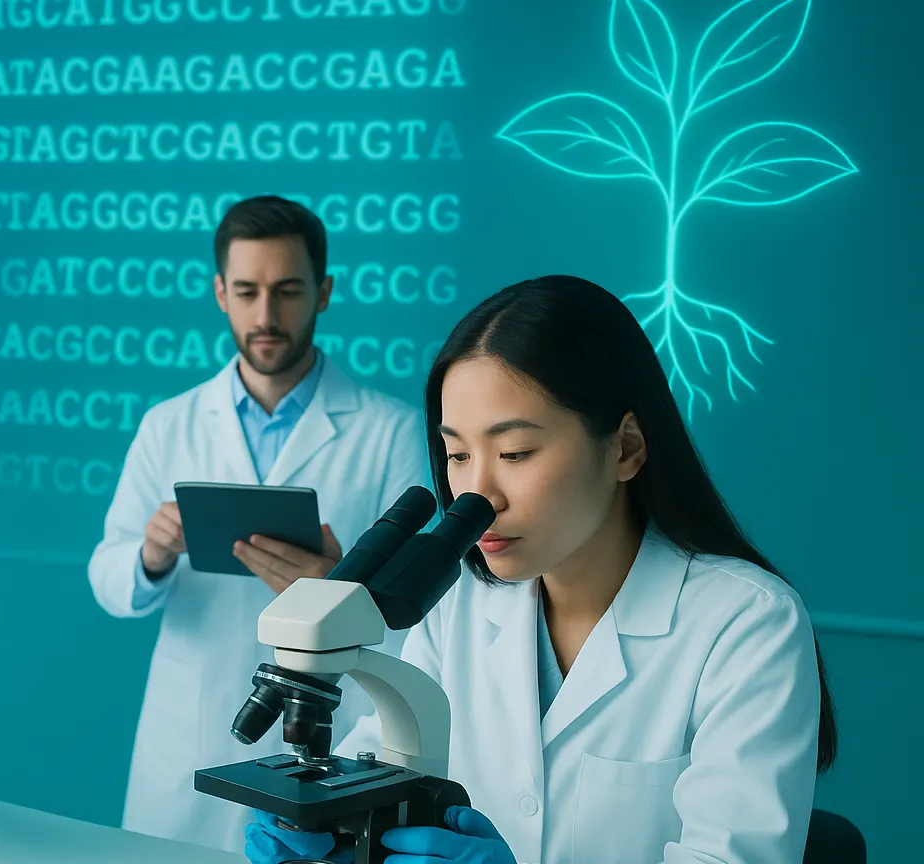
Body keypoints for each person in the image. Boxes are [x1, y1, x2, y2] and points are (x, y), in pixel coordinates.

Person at [243, 275, 837, 864]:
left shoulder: (748, 624)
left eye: (515, 453)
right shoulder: (461, 604)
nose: (479, 495)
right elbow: (376, 767)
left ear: (626, 447)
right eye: (457, 455)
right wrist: (327, 834)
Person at [88, 195, 430, 854]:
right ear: (220, 293)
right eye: (246, 292)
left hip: (331, 731)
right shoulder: (170, 424)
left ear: (324, 292)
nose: (266, 316)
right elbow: (107, 576)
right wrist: (152, 555)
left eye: (287, 290)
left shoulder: (389, 430)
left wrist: (339, 591)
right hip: (191, 731)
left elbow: (424, 616)